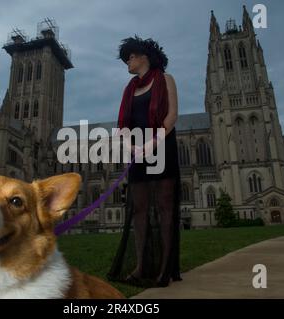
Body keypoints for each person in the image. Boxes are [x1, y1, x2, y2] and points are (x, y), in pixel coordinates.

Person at [107, 35, 182, 287]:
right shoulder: (129, 89)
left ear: (144, 56)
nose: (127, 61)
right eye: (125, 57)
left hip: (162, 146)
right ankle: (141, 266)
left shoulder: (165, 79)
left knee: (164, 207)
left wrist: (152, 144)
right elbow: (123, 125)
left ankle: (165, 267)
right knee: (138, 209)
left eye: (130, 56)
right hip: (136, 150)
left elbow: (172, 116)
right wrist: (131, 146)